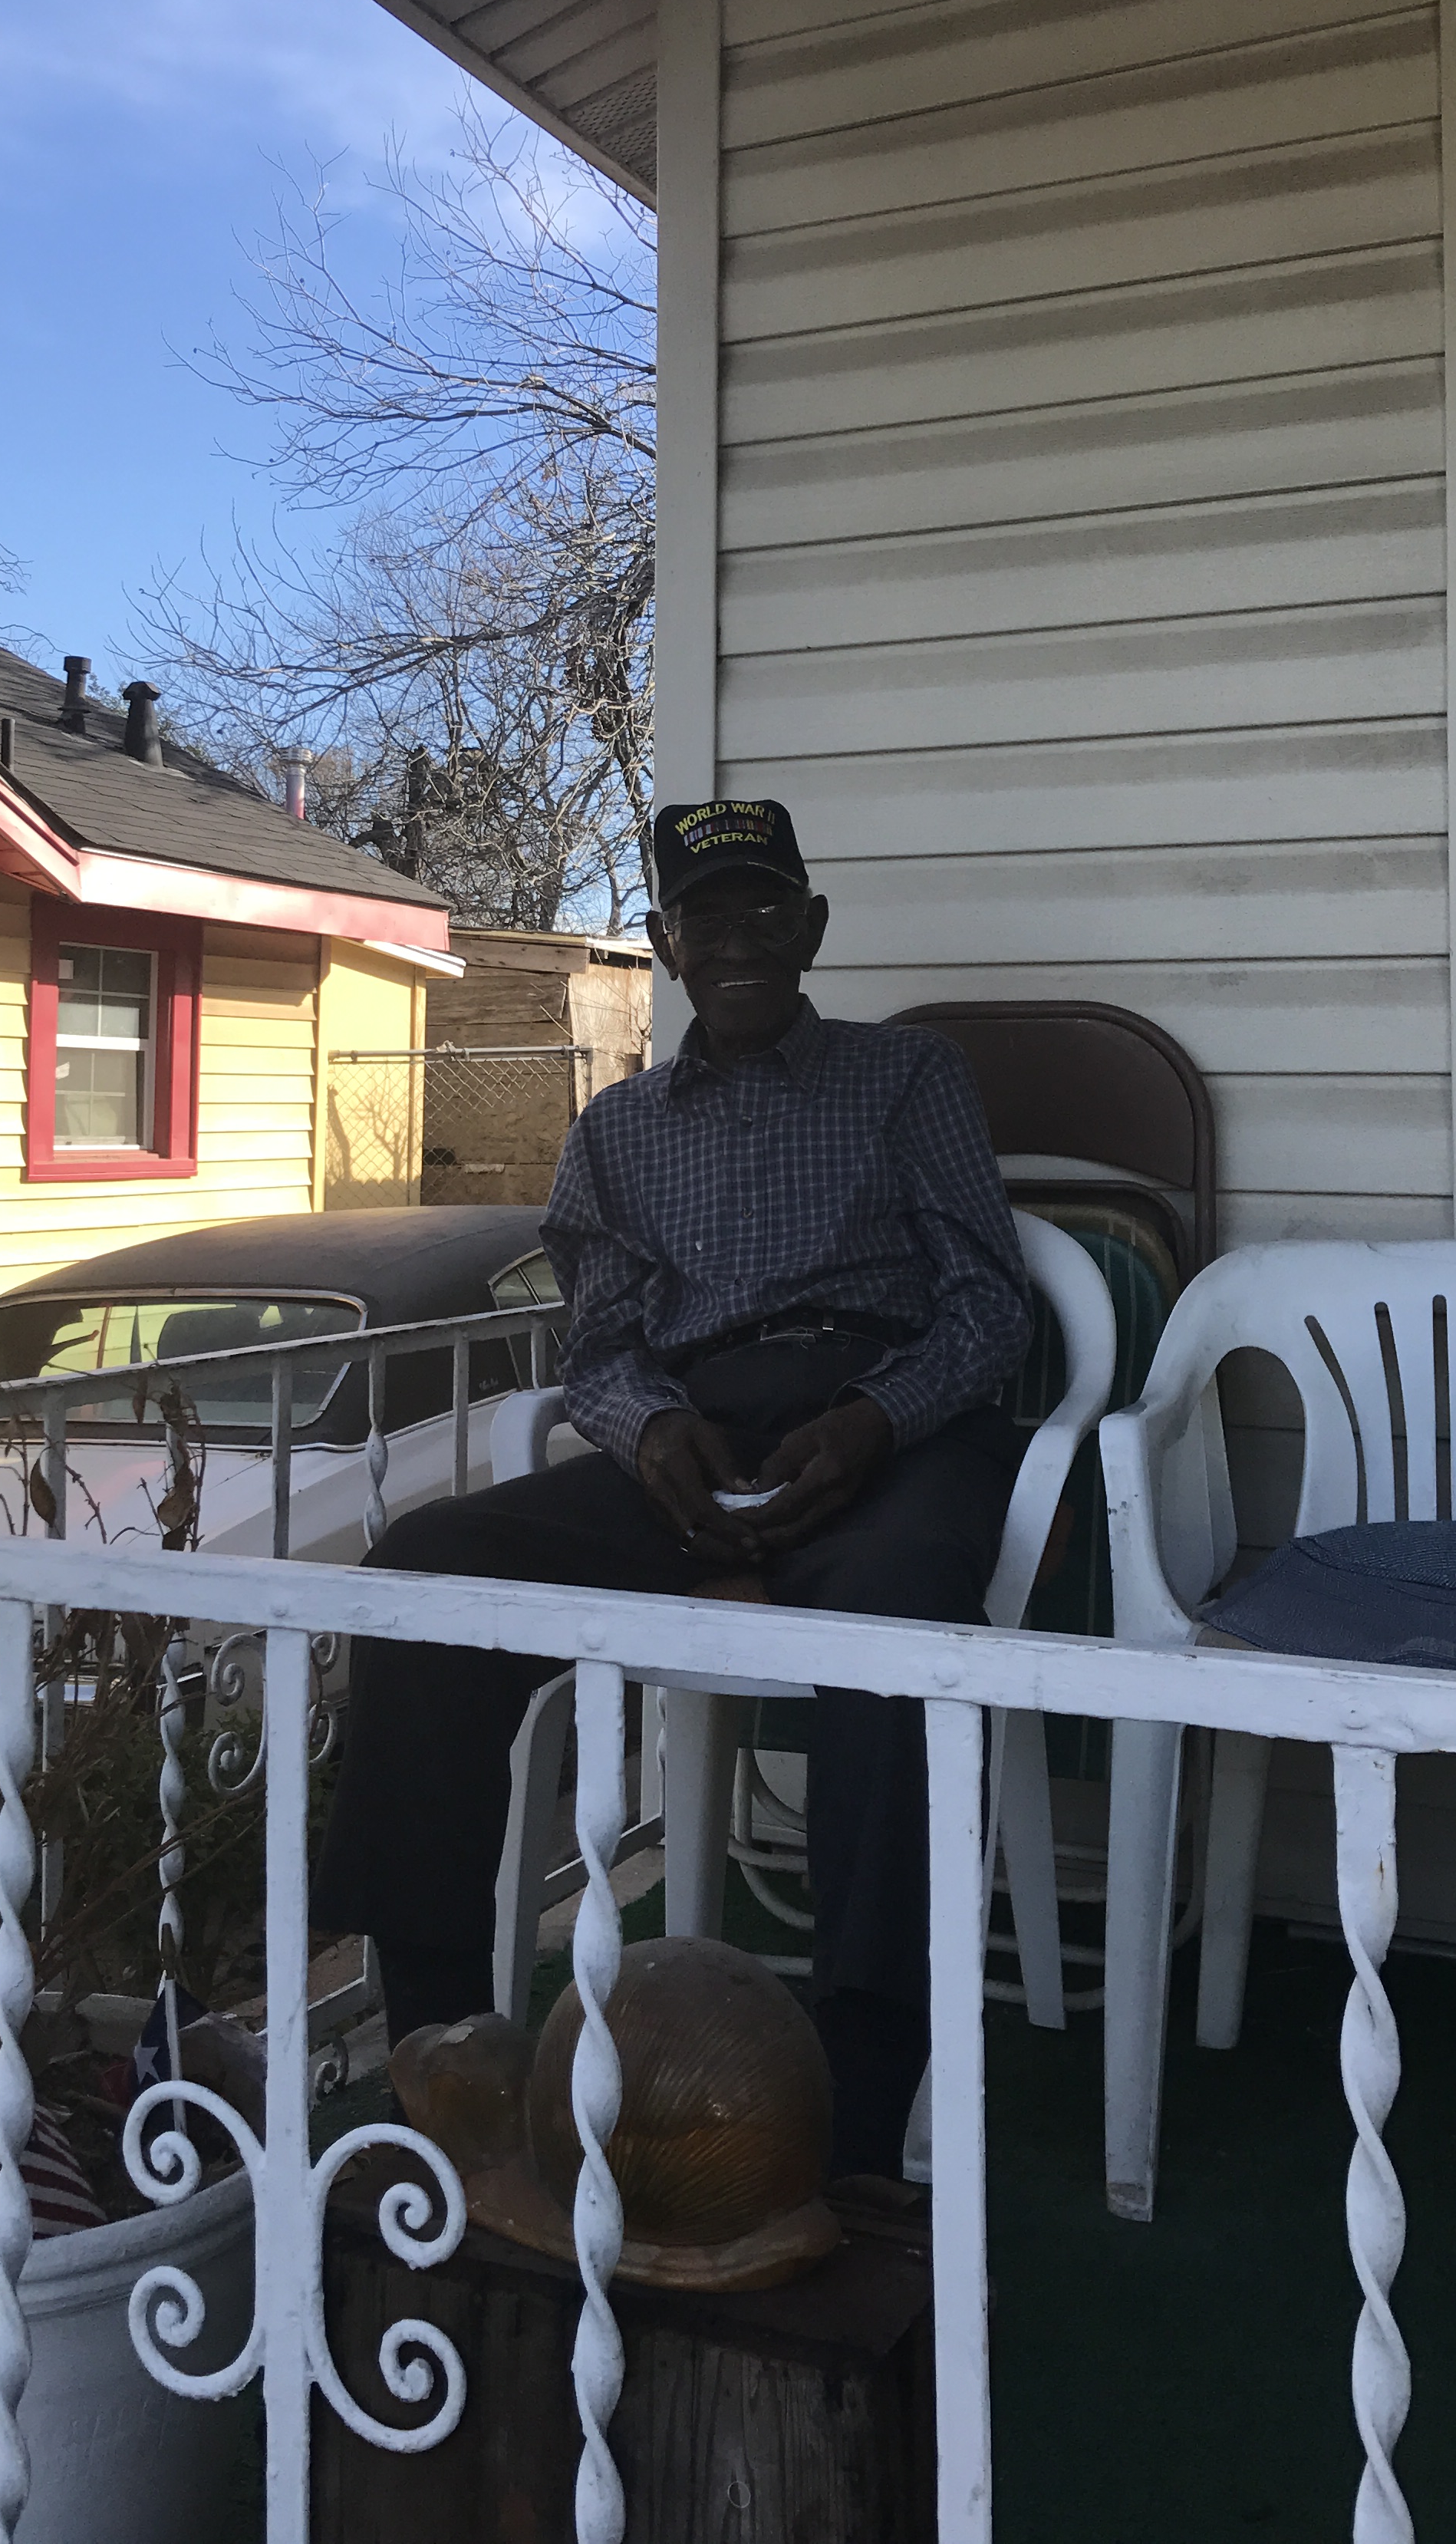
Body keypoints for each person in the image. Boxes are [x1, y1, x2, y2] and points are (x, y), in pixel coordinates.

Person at [311, 796, 1032, 2175]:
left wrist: (878, 1418)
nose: (742, 937)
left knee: (891, 1627)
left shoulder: (908, 1077)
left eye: (770, 907)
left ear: (813, 928)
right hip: (692, 1441)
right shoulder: (618, 1131)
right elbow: (599, 1346)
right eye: (709, 915)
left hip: (882, 1427)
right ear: (665, 945)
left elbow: (994, 1308)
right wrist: (646, 1432)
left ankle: (861, 2105)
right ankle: (447, 2046)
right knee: (420, 1574)